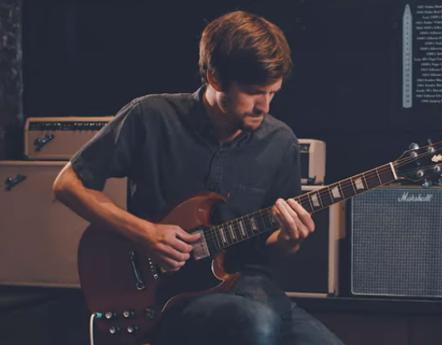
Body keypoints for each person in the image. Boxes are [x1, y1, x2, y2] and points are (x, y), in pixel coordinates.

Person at [53, 10, 345, 345]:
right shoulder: (151, 116)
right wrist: (146, 233)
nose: (264, 106)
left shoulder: (281, 142)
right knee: (256, 324)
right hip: (162, 295)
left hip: (250, 289)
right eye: (253, 92)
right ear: (214, 77)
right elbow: (67, 184)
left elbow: (270, 250)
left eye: (272, 93)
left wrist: (290, 239)